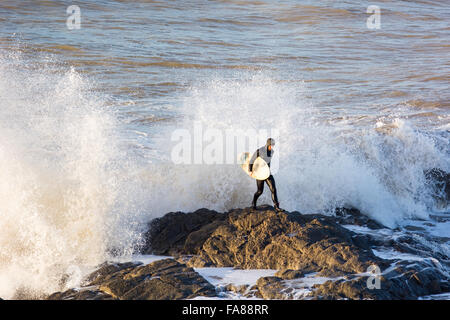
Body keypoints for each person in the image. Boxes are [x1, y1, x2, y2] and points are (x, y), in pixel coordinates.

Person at [248, 138, 282, 212]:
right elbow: (251, 161)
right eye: (271, 145)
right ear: (268, 144)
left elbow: (268, 163)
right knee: (260, 191)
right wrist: (250, 171)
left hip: (267, 173)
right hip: (260, 174)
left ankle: (276, 206)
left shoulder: (272, 152)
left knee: (273, 189)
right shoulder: (260, 150)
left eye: (273, 145)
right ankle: (253, 203)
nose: (272, 146)